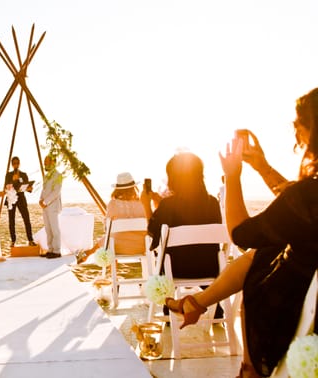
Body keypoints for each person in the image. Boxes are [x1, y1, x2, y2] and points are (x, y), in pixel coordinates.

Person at [165, 88, 318, 377]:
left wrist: (233, 177)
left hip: (298, 301)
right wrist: (262, 166)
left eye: (298, 122)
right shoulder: (308, 195)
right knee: (266, 252)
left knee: (260, 260)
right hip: (311, 286)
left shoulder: (309, 193)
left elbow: (241, 233)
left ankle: (250, 369)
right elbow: (298, 205)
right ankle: (197, 303)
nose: (294, 129)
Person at [142, 151, 223, 279]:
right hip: (209, 269)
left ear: (172, 178)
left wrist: (146, 205)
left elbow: (153, 235)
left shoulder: (168, 205)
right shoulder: (212, 203)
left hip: (174, 270)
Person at [76, 172, 147, 264]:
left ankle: (88, 254)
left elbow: (107, 228)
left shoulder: (113, 204)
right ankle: (88, 253)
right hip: (141, 246)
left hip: (117, 247)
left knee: (109, 238)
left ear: (117, 189)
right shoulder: (142, 204)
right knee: (110, 237)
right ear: (134, 187)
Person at [4, 156, 36, 247]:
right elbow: (6, 186)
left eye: (17, 163)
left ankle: (30, 239)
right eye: (14, 163)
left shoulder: (23, 174)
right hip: (11, 198)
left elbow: (26, 187)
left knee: (26, 218)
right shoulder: (8, 175)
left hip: (21, 198)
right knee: (11, 220)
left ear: (19, 163)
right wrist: (12, 181)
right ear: (11, 164)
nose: (15, 165)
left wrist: (29, 188)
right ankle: (13, 241)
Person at [39, 154, 63, 259]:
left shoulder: (58, 175)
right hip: (45, 205)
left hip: (52, 206)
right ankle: (50, 249)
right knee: (48, 229)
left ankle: (57, 251)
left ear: (53, 162)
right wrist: (40, 200)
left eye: (46, 161)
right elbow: (44, 189)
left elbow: (56, 191)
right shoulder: (46, 176)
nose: (44, 163)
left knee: (54, 229)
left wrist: (46, 202)